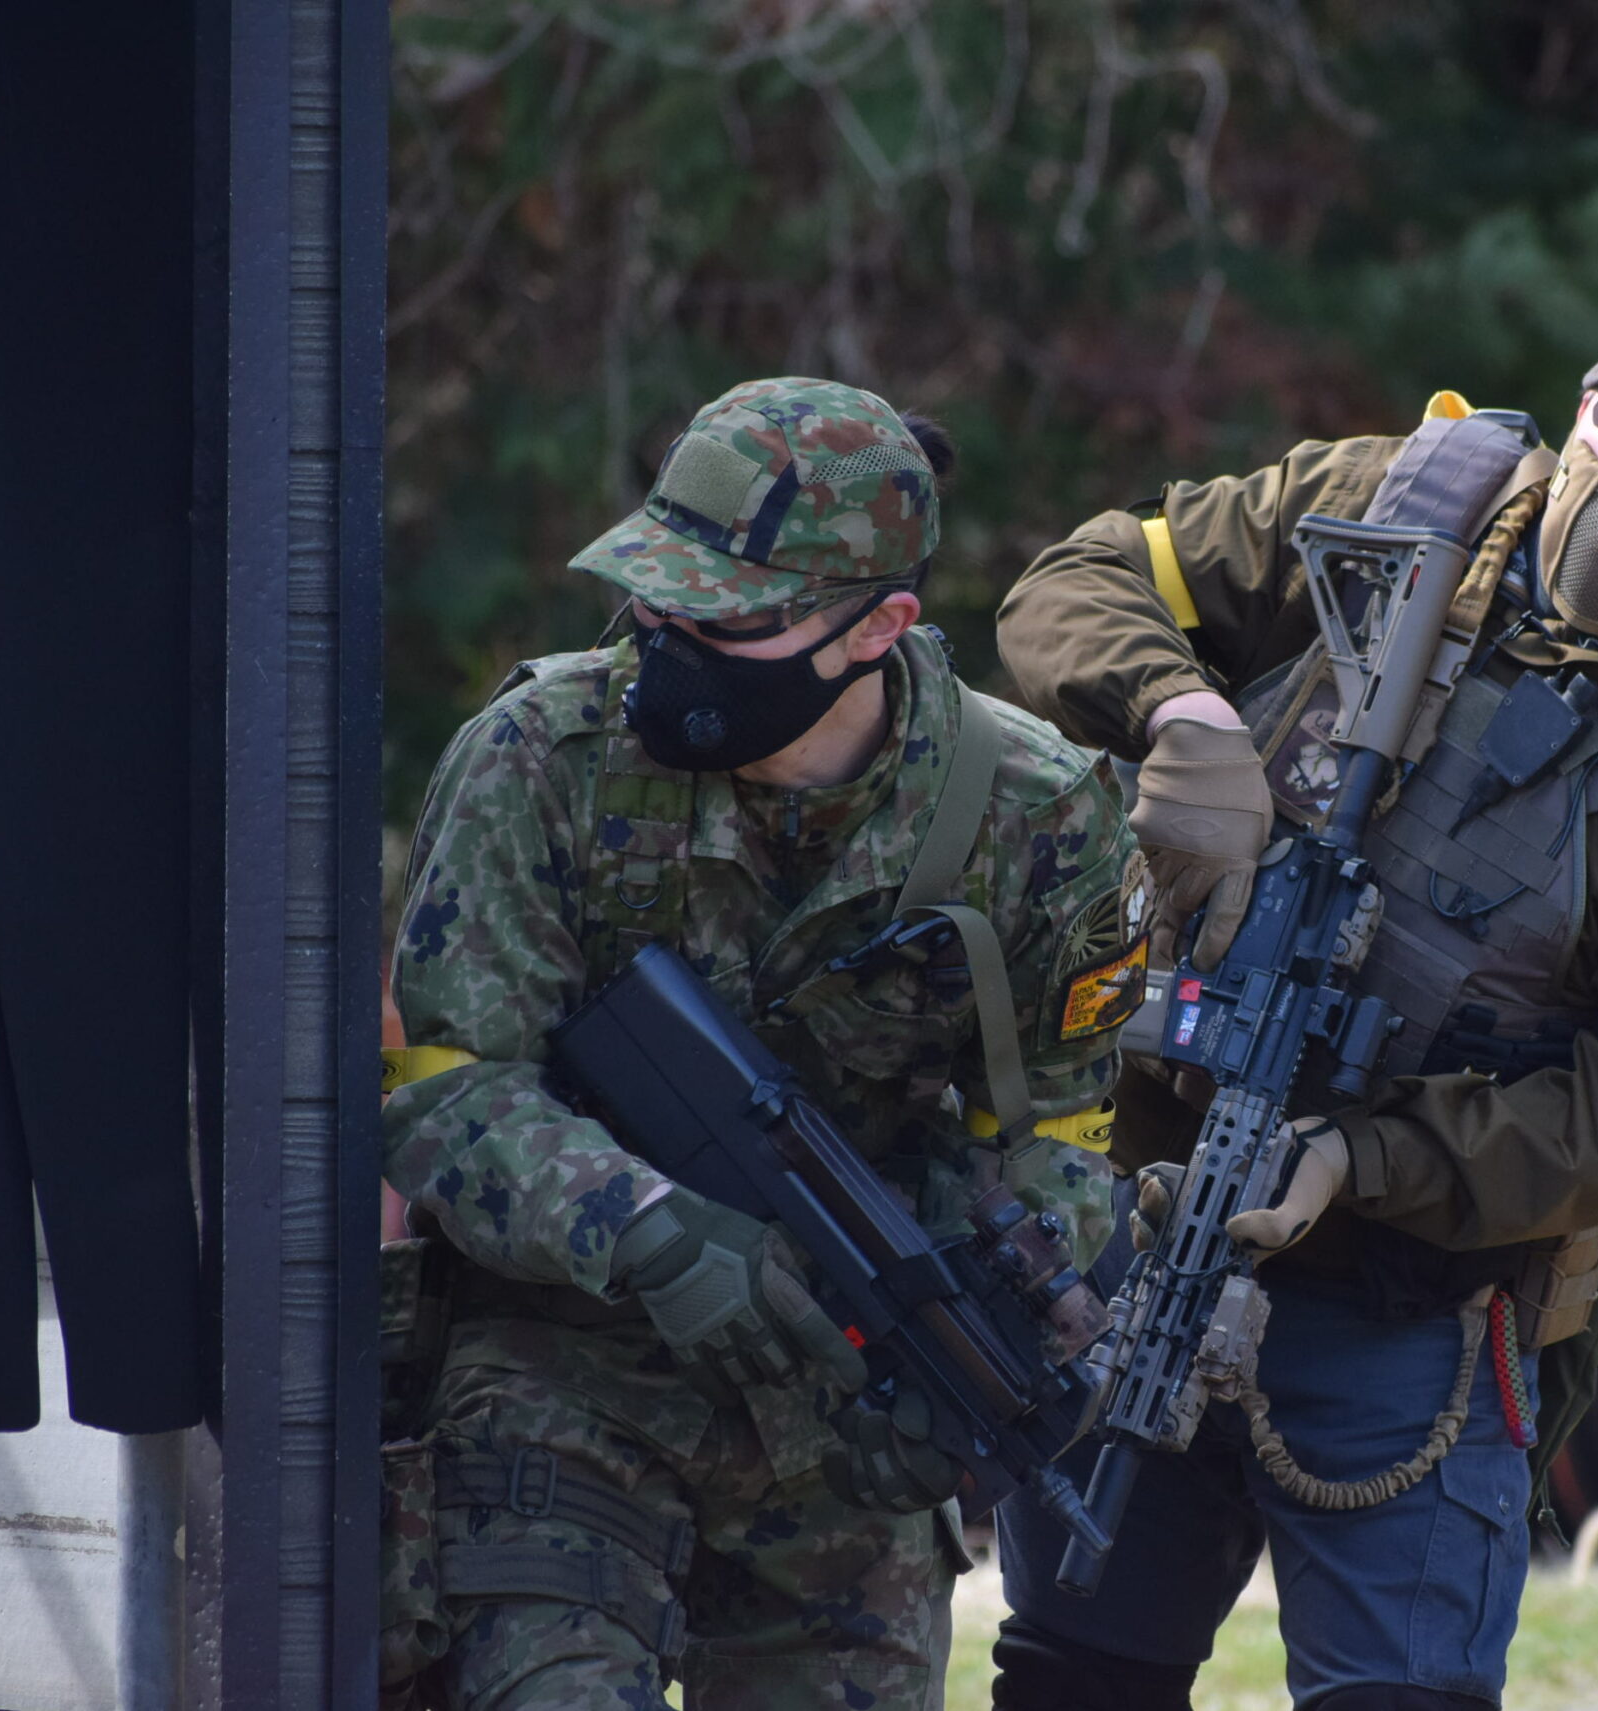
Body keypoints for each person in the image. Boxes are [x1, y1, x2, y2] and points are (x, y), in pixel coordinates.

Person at [989, 273, 1598, 1711]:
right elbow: (1071, 583)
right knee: (1075, 1674)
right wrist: (1183, 717)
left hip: (1410, 1315)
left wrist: (1360, 1159)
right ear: (1582, 401)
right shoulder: (1390, 505)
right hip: (1142, 1216)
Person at [379, 377, 1144, 1711]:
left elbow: (1061, 1127)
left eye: (726, 619)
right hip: (568, 1365)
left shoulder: (1036, 815)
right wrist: (646, 1228)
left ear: (879, 626)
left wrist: (983, 1334)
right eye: (656, 597)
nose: (667, 637)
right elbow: (445, 1086)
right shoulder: (546, 755)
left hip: (839, 1401)